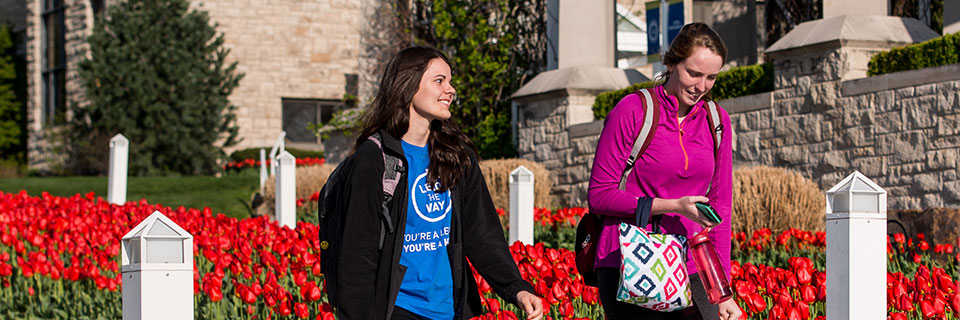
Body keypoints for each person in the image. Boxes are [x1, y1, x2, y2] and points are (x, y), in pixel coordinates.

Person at [331, 46, 544, 320]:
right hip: (397, 308)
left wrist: (516, 289)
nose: (451, 90)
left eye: (450, 81)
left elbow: (482, 234)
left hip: (449, 308)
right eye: (439, 81)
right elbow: (357, 257)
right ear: (407, 85)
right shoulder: (374, 159)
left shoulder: (456, 155)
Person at [587, 23, 742, 320]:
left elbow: (720, 208)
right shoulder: (633, 110)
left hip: (693, 262)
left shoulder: (717, 121)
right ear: (671, 63)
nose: (701, 87)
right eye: (694, 74)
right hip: (630, 261)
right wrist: (672, 207)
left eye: (711, 77)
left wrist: (723, 290)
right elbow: (600, 195)